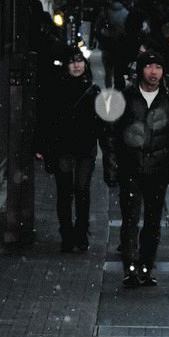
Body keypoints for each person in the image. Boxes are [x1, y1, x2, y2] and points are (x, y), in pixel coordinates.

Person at [103, 51, 169, 287]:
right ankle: (130, 267)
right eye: (149, 67)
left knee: (153, 220)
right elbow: (111, 133)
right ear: (141, 70)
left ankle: (146, 265)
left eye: (158, 67)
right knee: (130, 219)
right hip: (130, 166)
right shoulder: (126, 96)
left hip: (158, 168)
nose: (153, 72)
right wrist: (112, 167)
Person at [35, 47, 101, 252]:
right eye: (72, 62)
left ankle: (81, 232)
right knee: (65, 191)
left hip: (86, 147)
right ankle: (67, 233)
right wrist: (42, 146)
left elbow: (100, 122)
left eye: (79, 61)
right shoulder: (55, 88)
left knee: (82, 190)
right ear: (66, 65)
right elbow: (46, 119)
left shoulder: (92, 89)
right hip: (63, 147)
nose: (76, 65)